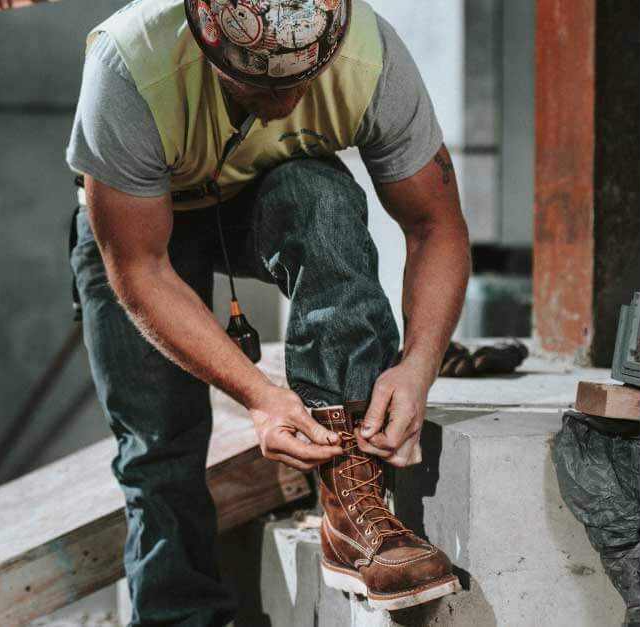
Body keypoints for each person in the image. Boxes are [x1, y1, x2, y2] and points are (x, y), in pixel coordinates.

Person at [66, 0, 469, 622]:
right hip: (140, 227)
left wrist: (418, 365)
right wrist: (259, 395)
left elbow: (435, 224)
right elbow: (141, 269)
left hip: (265, 194)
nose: (281, 99)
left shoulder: (373, 59)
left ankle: (351, 509)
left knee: (320, 198)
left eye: (297, 81)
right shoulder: (129, 66)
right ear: (206, 42)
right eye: (254, 82)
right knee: (159, 449)